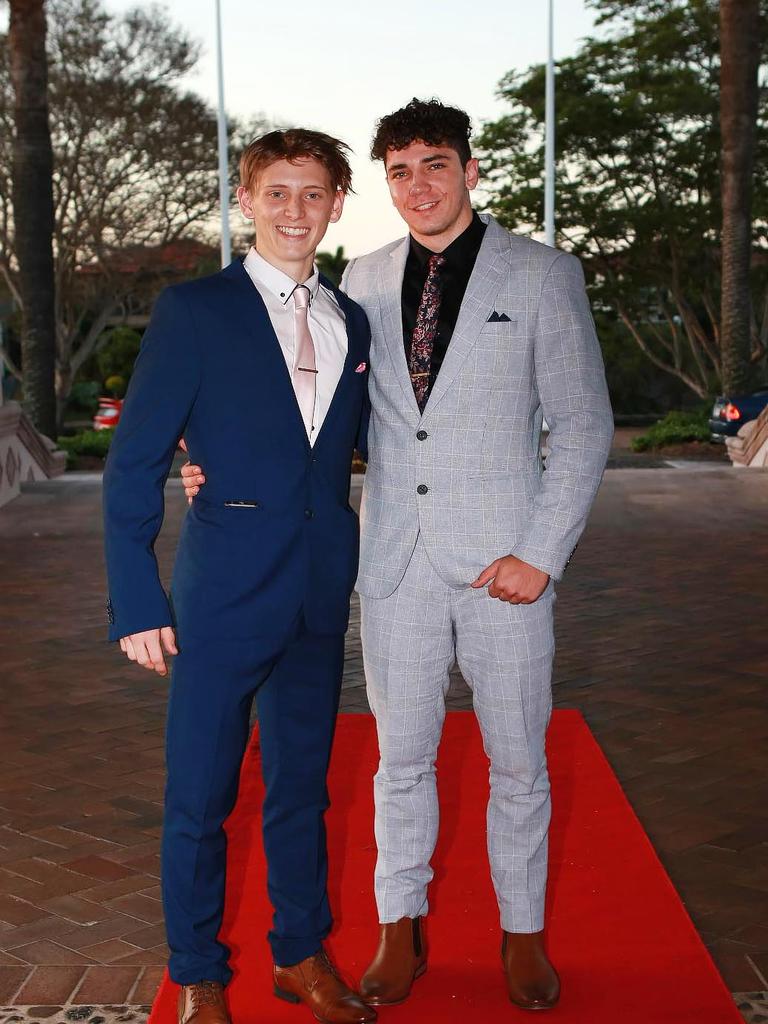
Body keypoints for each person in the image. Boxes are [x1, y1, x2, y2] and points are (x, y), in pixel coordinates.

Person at [183, 98, 613, 1011]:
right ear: (383, 183)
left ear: (470, 171)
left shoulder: (543, 276)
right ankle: (398, 929)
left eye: (436, 165)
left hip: (508, 568)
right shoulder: (358, 280)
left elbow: (581, 426)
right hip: (391, 567)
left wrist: (542, 552)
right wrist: (213, 461)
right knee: (401, 761)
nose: (419, 185)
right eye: (402, 170)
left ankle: (522, 933)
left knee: (520, 761)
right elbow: (308, 403)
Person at [103, 129, 376, 1024]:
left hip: (317, 590)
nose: (294, 210)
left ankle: (299, 955)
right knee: (200, 795)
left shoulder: (351, 321)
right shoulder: (196, 310)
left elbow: (326, 451)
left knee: (303, 787)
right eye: (276, 193)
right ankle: (197, 973)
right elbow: (135, 459)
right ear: (246, 201)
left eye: (313, 193)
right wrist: (137, 598)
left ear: (337, 203)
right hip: (220, 593)